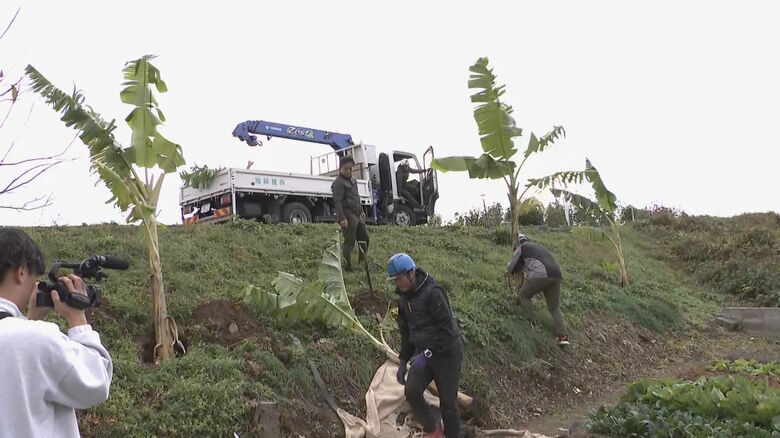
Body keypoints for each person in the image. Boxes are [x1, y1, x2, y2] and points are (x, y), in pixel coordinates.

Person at [0, 227, 113, 437]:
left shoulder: (27, 336)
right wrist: (77, 317)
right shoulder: (36, 339)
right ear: (21, 271)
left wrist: (31, 320)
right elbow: (96, 382)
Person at [389, 253, 462, 438]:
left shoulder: (433, 293)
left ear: (411, 273)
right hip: (424, 354)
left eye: (399, 279)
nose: (397, 283)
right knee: (412, 391)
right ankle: (433, 430)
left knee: (449, 405)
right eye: (394, 280)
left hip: (446, 354)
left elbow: (447, 331)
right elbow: (407, 334)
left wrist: (426, 354)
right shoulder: (403, 301)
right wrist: (403, 360)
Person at [507, 233, 570, 347]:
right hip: (556, 275)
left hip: (541, 274)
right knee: (554, 307)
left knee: (524, 295)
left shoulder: (521, 247)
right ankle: (563, 336)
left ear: (517, 243)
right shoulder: (538, 247)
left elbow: (512, 267)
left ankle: (534, 324)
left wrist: (509, 266)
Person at [331, 155, 369, 271]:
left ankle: (362, 262)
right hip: (347, 215)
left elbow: (356, 197)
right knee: (349, 241)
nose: (348, 171)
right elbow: (337, 202)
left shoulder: (353, 180)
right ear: (340, 169)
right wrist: (342, 218)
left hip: (357, 214)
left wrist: (361, 210)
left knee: (364, 238)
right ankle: (347, 266)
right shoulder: (338, 183)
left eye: (350, 169)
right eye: (345, 169)